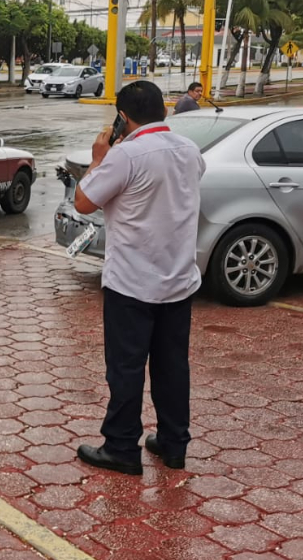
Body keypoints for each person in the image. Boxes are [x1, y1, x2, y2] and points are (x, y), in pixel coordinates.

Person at [72, 80, 206, 475]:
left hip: (132, 282)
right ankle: (173, 443)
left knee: (127, 367)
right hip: (178, 279)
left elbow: (84, 201)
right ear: (163, 112)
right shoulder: (190, 150)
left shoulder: (125, 155)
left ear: (123, 117)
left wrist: (98, 158)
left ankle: (121, 447)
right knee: (172, 366)